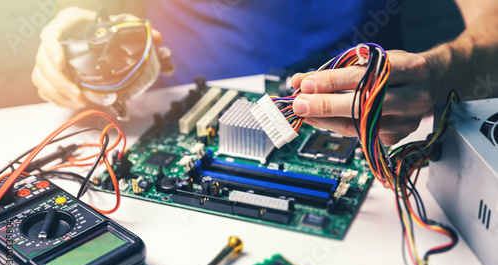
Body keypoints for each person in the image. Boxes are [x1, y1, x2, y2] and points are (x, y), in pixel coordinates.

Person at [32, 1, 498, 145]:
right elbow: (101, 18)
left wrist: (445, 68)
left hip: (367, 122)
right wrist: (78, 48)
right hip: (156, 118)